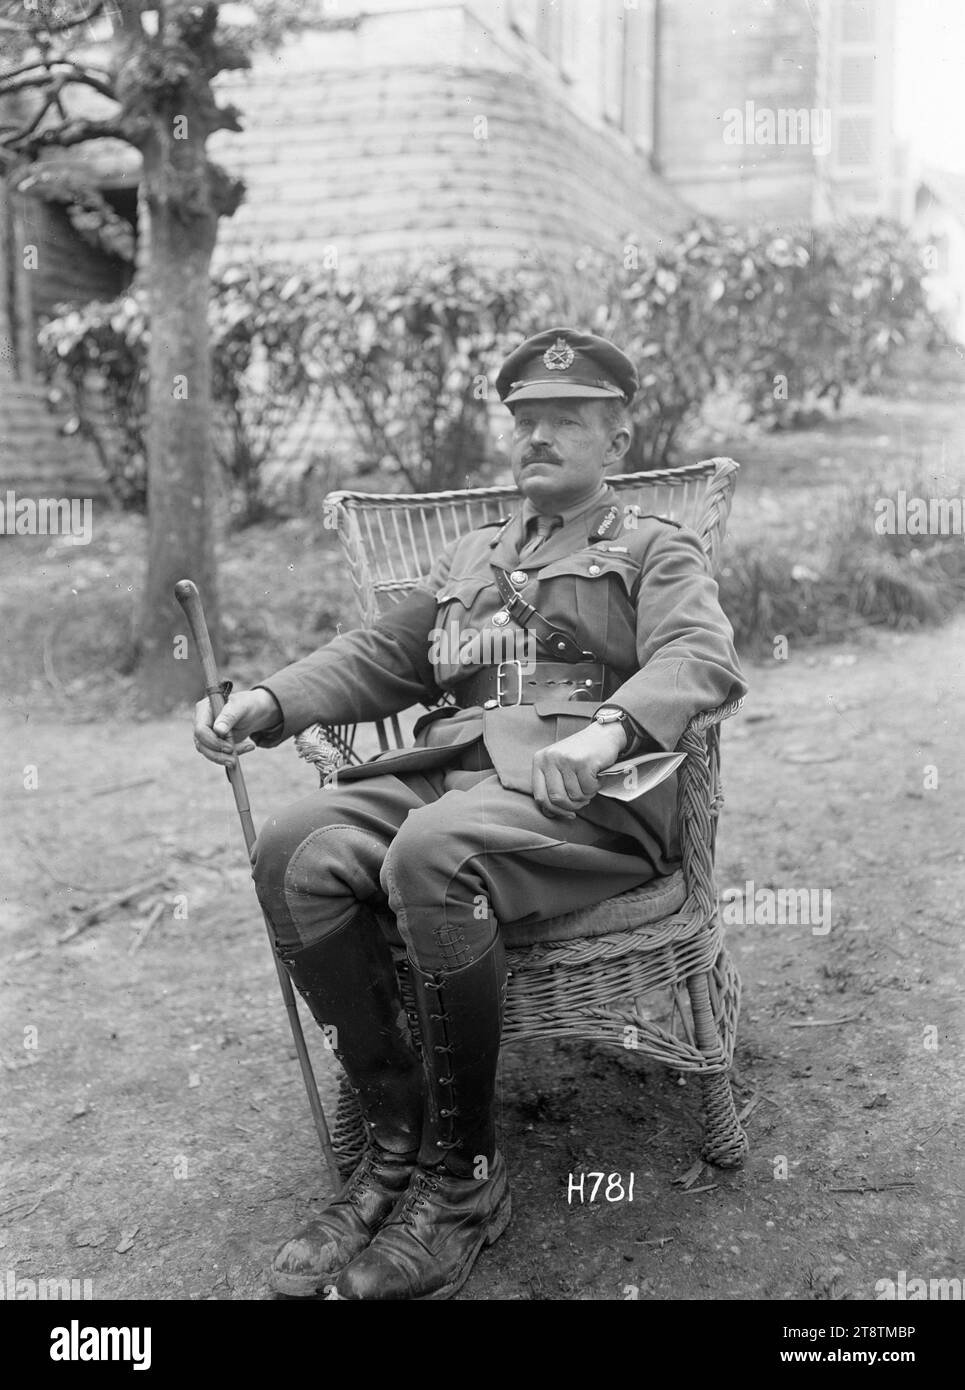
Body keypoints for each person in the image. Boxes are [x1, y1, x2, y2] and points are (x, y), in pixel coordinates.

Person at [193, 326, 746, 1301]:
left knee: (431, 854)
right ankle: (396, 1152)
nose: (536, 436)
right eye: (524, 419)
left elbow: (697, 658)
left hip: (584, 800)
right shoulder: (473, 560)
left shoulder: (657, 550)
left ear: (615, 440)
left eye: (564, 420)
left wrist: (608, 730)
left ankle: (460, 1183)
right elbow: (377, 656)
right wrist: (267, 702)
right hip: (452, 771)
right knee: (296, 846)